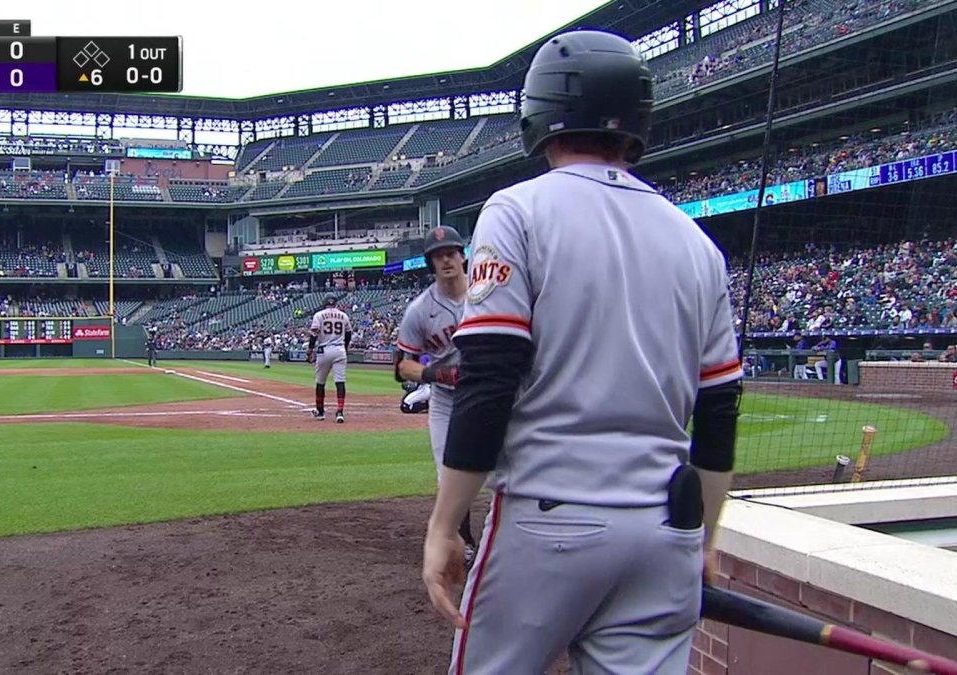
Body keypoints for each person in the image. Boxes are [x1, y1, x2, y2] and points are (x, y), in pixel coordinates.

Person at [421, 29, 742, 675]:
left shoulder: (517, 210)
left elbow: (488, 378)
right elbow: (720, 408)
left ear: (536, 116)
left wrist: (445, 523)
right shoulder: (698, 243)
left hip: (550, 518)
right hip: (665, 529)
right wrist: (703, 537)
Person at [393, 225, 478, 566]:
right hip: (445, 398)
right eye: (438, 256)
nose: (446, 260)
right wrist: (434, 373)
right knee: (450, 474)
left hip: (491, 393)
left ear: (462, 257)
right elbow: (402, 367)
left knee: (512, 465)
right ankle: (465, 541)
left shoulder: (488, 293)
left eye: (451, 253)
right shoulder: (420, 310)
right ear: (431, 264)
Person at [307, 295, 352, 423]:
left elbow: (314, 333)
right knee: (340, 382)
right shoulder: (344, 315)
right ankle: (340, 412)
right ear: (336, 304)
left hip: (324, 350)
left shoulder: (319, 315)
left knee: (320, 382)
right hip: (339, 350)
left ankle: (320, 412)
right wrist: (346, 346)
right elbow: (348, 333)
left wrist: (310, 350)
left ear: (324, 303)